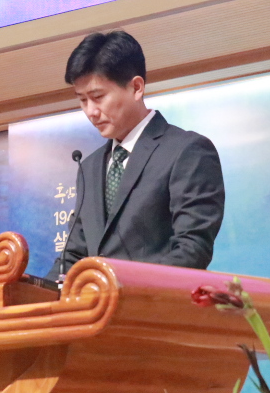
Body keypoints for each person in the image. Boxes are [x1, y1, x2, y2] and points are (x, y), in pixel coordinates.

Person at [46, 31, 224, 280]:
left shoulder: (187, 151)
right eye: (83, 100)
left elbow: (192, 249)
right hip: (98, 303)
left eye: (98, 97)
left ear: (136, 87)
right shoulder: (89, 167)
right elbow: (74, 256)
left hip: (155, 301)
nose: (91, 111)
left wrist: (124, 289)